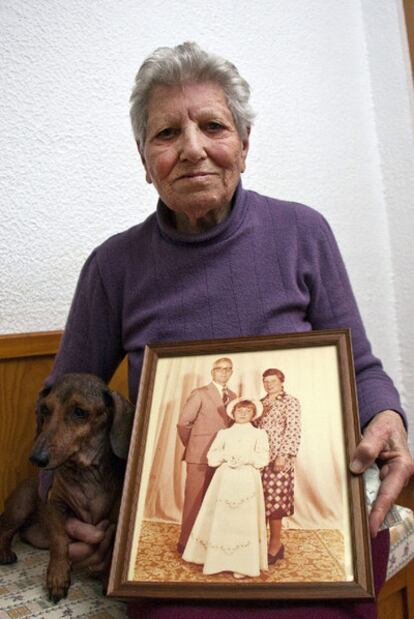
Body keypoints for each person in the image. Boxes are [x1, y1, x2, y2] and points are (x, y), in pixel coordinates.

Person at [41, 41, 413, 617]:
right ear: (144, 160)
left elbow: (360, 367)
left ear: (243, 143)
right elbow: (59, 403)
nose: (192, 149)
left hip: (305, 490)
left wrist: (388, 417)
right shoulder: (112, 266)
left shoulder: (303, 232)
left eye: (212, 125)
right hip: (173, 514)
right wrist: (70, 513)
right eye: (166, 134)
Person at [182, 398, 269, 579]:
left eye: (247, 411)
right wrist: (226, 456)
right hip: (225, 479)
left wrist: (247, 458)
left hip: (247, 479)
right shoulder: (224, 433)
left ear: (253, 415)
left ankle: (242, 565)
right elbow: (212, 456)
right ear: (233, 412)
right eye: (239, 410)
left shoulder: (259, 434)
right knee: (223, 518)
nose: (243, 414)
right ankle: (217, 561)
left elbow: (263, 458)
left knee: (242, 520)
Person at [176, 357, 237, 551]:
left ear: (231, 372)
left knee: (215, 500)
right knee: (195, 499)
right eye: (220, 369)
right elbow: (183, 423)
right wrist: (194, 445)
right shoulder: (200, 393)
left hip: (222, 458)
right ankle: (185, 543)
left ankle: (204, 542)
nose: (224, 372)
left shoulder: (234, 396)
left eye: (228, 369)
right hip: (199, 456)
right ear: (212, 372)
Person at [256, 368, 301, 564]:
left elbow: (293, 430)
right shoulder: (260, 403)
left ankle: (275, 544)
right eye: (266, 381)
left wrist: (282, 456)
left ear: (282, 382)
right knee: (259, 502)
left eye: (272, 381)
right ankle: (257, 544)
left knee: (275, 502)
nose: (269, 384)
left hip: (278, 460)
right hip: (258, 459)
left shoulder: (290, 402)